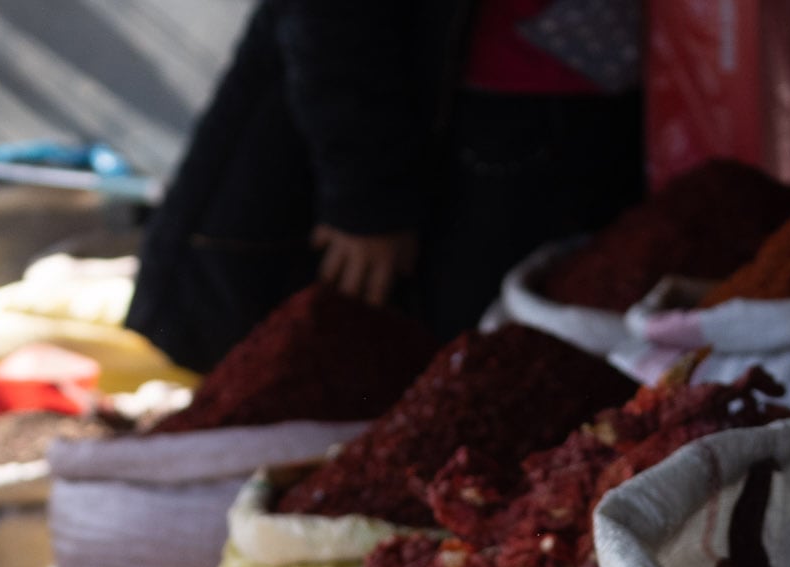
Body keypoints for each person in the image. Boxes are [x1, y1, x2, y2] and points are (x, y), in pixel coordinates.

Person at [126, 0, 644, 371]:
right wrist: (366, 195)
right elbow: (330, 17)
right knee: (468, 381)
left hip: (613, 115)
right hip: (478, 131)